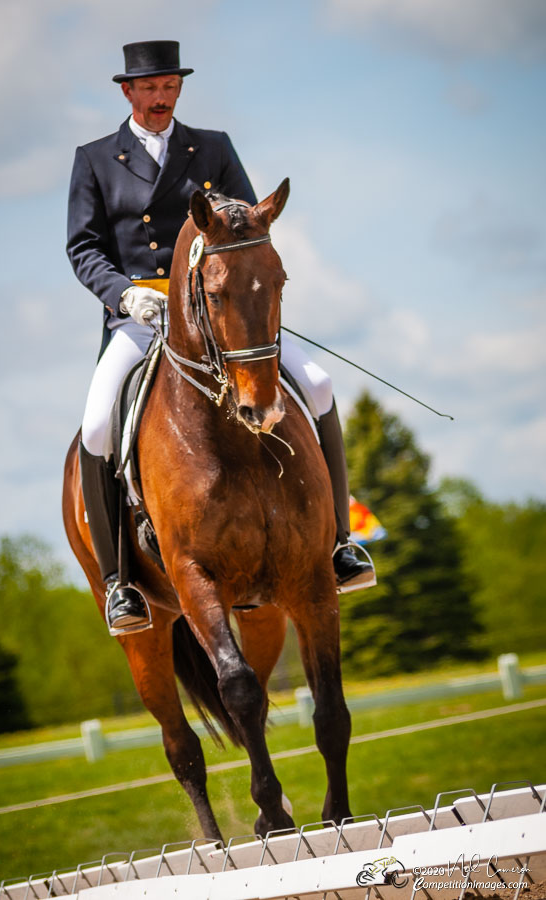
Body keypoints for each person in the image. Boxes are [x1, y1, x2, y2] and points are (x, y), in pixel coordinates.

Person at [67, 40, 374, 636]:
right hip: (140, 314)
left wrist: (238, 290)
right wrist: (124, 293)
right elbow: (83, 247)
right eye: (149, 88)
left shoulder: (212, 147)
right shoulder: (96, 159)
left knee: (318, 381)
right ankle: (119, 583)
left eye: (169, 87)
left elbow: (248, 224)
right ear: (127, 92)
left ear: (179, 89)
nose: (160, 98)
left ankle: (341, 542)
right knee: (99, 423)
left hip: (219, 310)